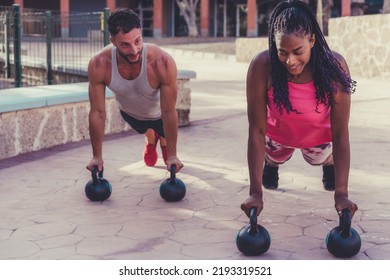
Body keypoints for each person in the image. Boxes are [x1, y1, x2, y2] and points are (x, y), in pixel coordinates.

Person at [241, 0, 358, 218]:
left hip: (318, 141)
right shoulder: (262, 66)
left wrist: (342, 194)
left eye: (297, 51)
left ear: (312, 40)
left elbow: (341, 132)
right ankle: (271, 164)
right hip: (277, 138)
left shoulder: (334, 67)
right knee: (275, 156)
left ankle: (328, 163)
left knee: (320, 157)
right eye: (282, 52)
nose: (290, 60)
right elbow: (256, 131)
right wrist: (255, 192)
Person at [86, 8, 183, 173]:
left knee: (164, 138)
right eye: (125, 44)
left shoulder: (163, 62)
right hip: (131, 115)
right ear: (112, 41)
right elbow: (97, 113)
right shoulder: (99, 64)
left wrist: (173, 155)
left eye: (137, 41)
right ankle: (150, 138)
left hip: (159, 115)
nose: (134, 50)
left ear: (141, 34)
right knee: (146, 129)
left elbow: (168, 112)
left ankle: (162, 141)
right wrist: (97, 157)